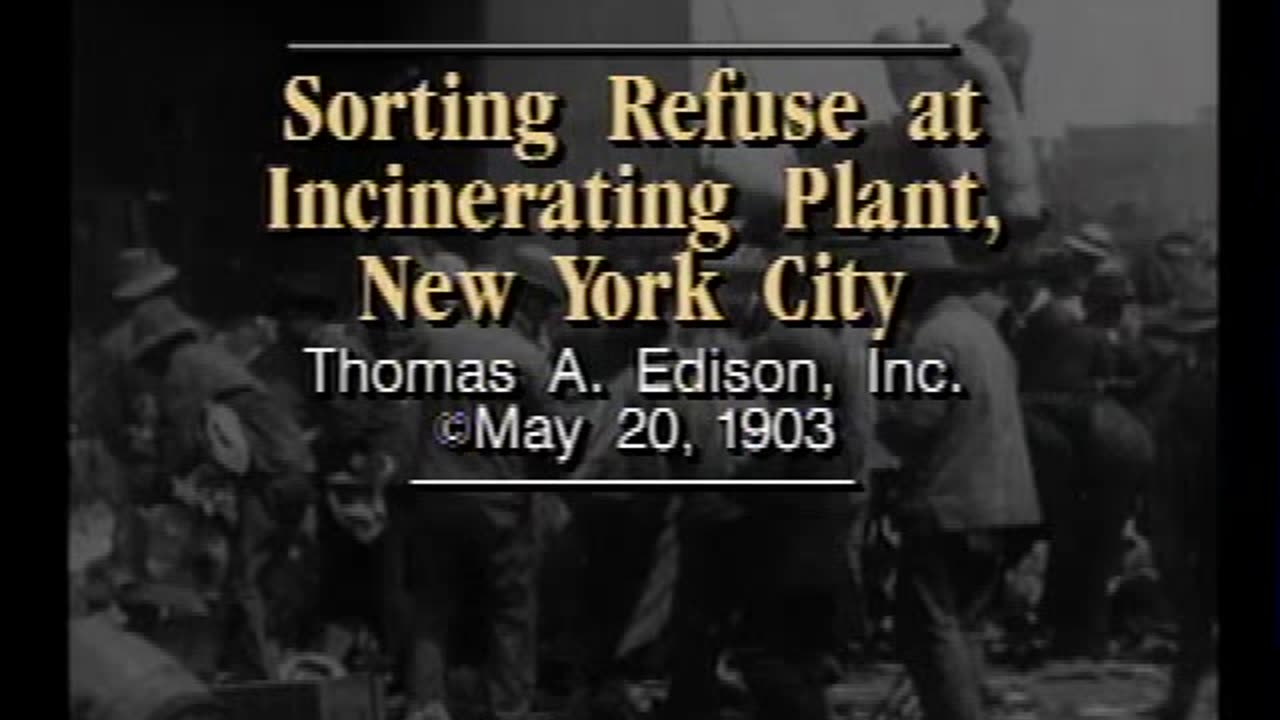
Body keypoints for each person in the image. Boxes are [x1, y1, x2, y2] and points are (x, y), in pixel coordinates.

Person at [877, 237, 1040, 720]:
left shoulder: (933, 339)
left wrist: (883, 409)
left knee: (932, 629)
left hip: (949, 503)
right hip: (1002, 503)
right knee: (966, 626)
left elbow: (915, 424)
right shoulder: (984, 333)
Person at [128, 296, 315, 680]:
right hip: (295, 468)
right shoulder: (214, 358)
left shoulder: (183, 368)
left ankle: (263, 675)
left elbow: (183, 441)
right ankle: (262, 656)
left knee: (242, 580)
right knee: (265, 575)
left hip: (269, 474)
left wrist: (159, 482)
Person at [1137, 297, 1218, 720]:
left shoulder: (1195, 390)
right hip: (1204, 515)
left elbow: (1181, 466)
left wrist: (1169, 524)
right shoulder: (1193, 382)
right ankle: (1180, 702)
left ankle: (1180, 704)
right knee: (1196, 618)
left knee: (1196, 614)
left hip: (1201, 517)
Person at [966, 0, 1033, 111]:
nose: (993, 4)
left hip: (1007, 103)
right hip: (978, 102)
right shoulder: (973, 33)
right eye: (989, 1)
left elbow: (1014, 63)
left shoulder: (1018, 32)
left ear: (1008, 4)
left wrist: (982, 62)